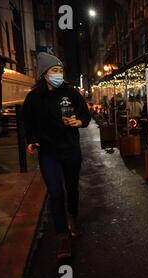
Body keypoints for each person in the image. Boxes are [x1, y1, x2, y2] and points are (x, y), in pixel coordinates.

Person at [22, 52, 91, 260]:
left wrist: (78, 122)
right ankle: (62, 236)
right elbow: (28, 121)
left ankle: (72, 218)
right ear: (44, 73)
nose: (58, 74)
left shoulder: (71, 93)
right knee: (55, 193)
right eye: (54, 70)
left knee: (71, 189)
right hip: (49, 153)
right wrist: (31, 140)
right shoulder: (34, 97)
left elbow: (85, 115)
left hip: (71, 150)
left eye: (60, 70)